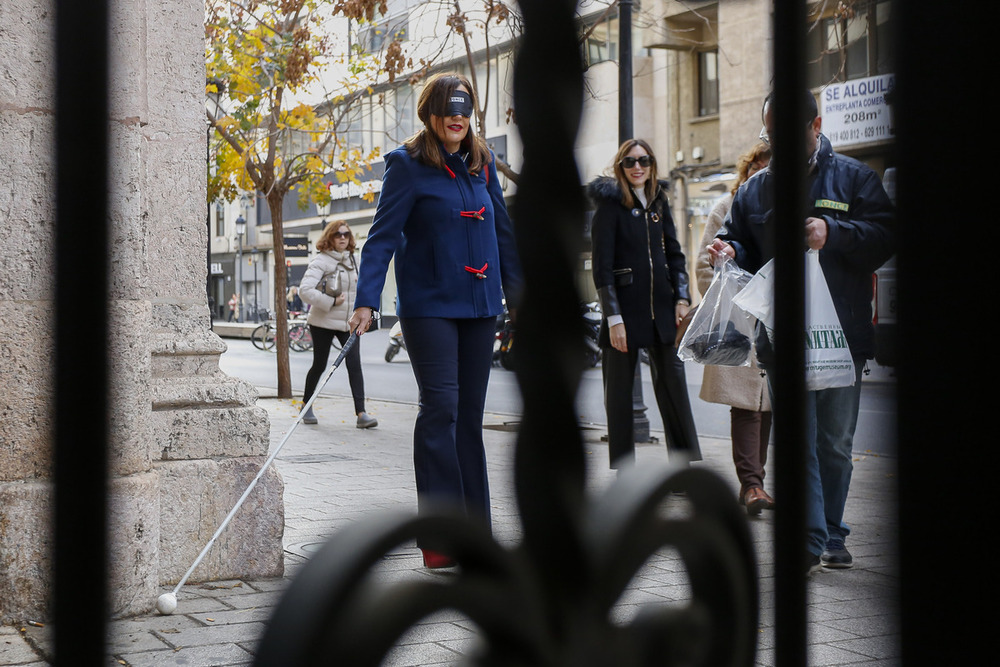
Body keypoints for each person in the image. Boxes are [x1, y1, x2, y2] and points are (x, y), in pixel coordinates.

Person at [708, 90, 894, 571]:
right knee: (800, 439)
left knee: (834, 443)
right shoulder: (756, 189)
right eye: (772, 133)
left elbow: (885, 238)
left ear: (815, 125)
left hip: (843, 337)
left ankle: (832, 531)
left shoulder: (855, 178)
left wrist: (834, 234)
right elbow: (739, 241)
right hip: (783, 338)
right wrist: (727, 251)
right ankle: (809, 540)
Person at [347, 72, 522, 569]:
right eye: (449, 111)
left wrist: (519, 302)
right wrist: (367, 300)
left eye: (464, 112)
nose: (458, 119)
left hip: (480, 306)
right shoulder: (406, 165)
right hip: (429, 308)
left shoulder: (483, 165)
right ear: (430, 115)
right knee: (441, 409)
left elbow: (503, 240)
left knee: (468, 418)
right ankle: (442, 540)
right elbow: (381, 238)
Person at [588, 139, 702, 470]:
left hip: (663, 312)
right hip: (624, 313)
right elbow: (601, 268)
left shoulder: (659, 203)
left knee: (675, 392)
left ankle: (682, 468)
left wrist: (682, 297)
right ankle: (625, 473)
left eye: (645, 160)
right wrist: (614, 319)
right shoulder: (609, 208)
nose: (638, 167)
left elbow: (676, 255)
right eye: (630, 161)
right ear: (620, 167)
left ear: (652, 165)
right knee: (620, 397)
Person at [695, 142, 774, 515]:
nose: (763, 173)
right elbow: (701, 267)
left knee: (766, 403)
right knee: (746, 405)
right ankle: (752, 485)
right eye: (757, 167)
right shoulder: (726, 209)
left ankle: (755, 481)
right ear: (747, 170)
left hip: (774, 317)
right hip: (738, 320)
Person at [299, 221, 377, 429]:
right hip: (322, 321)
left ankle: (361, 414)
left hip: (349, 323)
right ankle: (306, 406)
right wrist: (331, 301)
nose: (343, 238)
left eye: (346, 234)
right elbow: (304, 290)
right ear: (330, 238)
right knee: (320, 364)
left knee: (354, 365)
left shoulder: (355, 260)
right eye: (338, 235)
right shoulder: (321, 261)